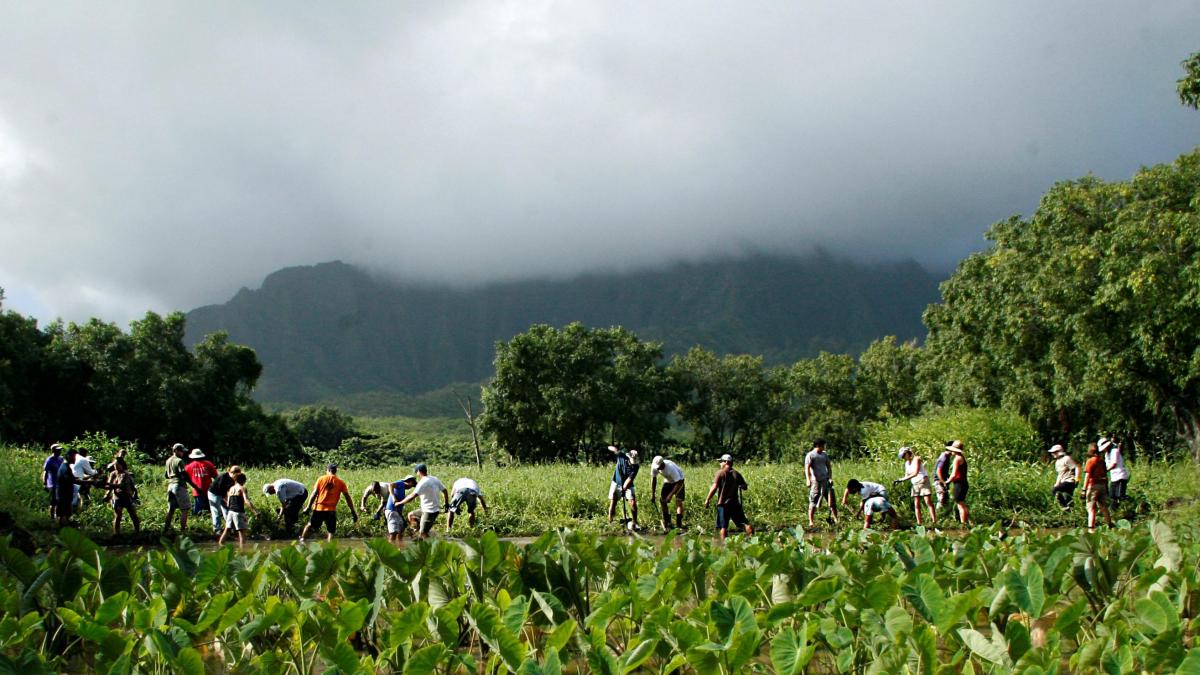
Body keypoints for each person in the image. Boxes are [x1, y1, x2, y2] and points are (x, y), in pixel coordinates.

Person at [299, 464, 358, 543]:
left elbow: (314, 493)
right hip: (331, 510)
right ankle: (329, 547)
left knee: (310, 525)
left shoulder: (321, 479)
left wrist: (308, 507)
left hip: (319, 508)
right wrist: (353, 511)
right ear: (335, 471)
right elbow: (347, 497)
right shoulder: (341, 482)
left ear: (328, 470)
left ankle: (302, 540)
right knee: (331, 531)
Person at [704, 454, 752, 540]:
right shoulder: (737, 474)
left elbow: (714, 487)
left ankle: (723, 545)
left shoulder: (720, 473)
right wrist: (741, 486)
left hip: (723, 504)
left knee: (723, 527)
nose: (720, 464)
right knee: (744, 524)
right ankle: (752, 539)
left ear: (726, 462)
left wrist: (707, 499)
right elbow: (745, 487)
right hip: (735, 503)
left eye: (721, 462)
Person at [396, 464, 449, 539]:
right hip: (427, 509)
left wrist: (399, 503)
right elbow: (445, 490)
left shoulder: (422, 482)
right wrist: (446, 503)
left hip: (430, 511)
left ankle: (430, 547)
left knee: (423, 533)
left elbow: (412, 496)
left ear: (418, 472)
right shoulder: (434, 479)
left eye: (416, 472)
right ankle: (417, 530)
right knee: (411, 515)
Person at [163, 443, 200, 533]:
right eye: (181, 451)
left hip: (170, 485)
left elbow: (166, 475)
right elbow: (184, 475)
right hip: (179, 485)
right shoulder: (179, 461)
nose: (182, 453)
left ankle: (165, 530)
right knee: (185, 509)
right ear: (175, 451)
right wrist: (195, 486)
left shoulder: (168, 460)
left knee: (171, 510)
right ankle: (183, 531)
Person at [895, 447, 936, 526]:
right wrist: (899, 480)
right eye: (902, 456)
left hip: (923, 481)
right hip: (915, 483)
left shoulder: (916, 459)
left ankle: (934, 521)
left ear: (908, 453)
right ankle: (919, 523)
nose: (903, 457)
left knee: (928, 501)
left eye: (904, 455)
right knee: (916, 504)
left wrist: (902, 480)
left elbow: (915, 473)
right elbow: (907, 475)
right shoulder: (906, 463)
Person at [218, 473, 260, 547]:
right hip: (238, 512)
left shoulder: (230, 489)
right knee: (242, 532)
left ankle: (220, 545)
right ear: (243, 480)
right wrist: (255, 511)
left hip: (230, 512)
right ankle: (242, 550)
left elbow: (228, 503)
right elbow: (246, 500)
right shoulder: (242, 488)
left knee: (227, 530)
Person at [804, 439, 838, 527]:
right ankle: (811, 521)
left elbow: (829, 467)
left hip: (826, 480)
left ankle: (836, 519)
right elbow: (807, 468)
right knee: (813, 500)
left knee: (832, 501)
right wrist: (808, 480)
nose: (824, 447)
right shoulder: (810, 455)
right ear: (818, 446)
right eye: (823, 445)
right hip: (816, 481)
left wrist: (830, 478)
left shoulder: (824, 454)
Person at [373, 476, 416, 543]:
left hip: (397, 512)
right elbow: (391, 485)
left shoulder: (402, 489)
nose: (411, 487)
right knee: (393, 533)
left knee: (401, 531)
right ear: (410, 482)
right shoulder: (401, 483)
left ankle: (399, 545)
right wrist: (393, 497)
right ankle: (391, 547)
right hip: (391, 511)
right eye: (412, 485)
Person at [607, 445, 640, 529]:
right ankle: (610, 521)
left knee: (633, 502)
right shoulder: (621, 456)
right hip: (616, 482)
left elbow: (629, 480)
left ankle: (635, 522)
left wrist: (623, 489)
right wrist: (609, 447)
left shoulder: (636, 466)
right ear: (628, 457)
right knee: (613, 502)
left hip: (628, 485)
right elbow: (614, 449)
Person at [1082, 442, 1114, 531]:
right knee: (1104, 507)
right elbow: (1105, 475)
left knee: (1091, 508)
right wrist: (1106, 488)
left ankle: (1091, 528)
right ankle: (1110, 525)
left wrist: (1084, 489)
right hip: (1103, 485)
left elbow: (1087, 476)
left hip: (1093, 486)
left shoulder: (1090, 461)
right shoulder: (1101, 461)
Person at [649, 455, 686, 531]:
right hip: (668, 481)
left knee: (678, 501)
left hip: (679, 481)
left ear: (662, 464)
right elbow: (654, 480)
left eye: (659, 466)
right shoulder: (654, 467)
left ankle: (679, 525)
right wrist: (653, 494)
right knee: (663, 501)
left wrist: (671, 495)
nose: (657, 468)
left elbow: (678, 482)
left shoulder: (670, 467)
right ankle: (667, 523)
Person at [105, 458, 140, 535]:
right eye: (114, 465)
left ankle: (137, 532)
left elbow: (120, 485)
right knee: (118, 515)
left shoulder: (125, 474)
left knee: (133, 514)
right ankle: (116, 533)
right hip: (117, 496)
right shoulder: (113, 474)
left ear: (122, 465)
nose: (116, 466)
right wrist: (107, 492)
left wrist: (109, 485)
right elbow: (109, 485)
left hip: (127, 496)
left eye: (117, 465)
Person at [208, 466, 242, 535]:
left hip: (223, 494)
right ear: (232, 473)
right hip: (214, 493)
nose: (237, 477)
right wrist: (225, 499)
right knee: (216, 511)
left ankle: (230, 528)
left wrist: (228, 500)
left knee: (227, 510)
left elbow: (229, 490)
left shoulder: (234, 479)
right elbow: (220, 488)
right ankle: (217, 530)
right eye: (236, 475)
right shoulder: (223, 476)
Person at [185, 449, 219, 517]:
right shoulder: (209, 464)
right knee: (210, 509)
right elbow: (216, 477)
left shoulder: (188, 467)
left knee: (198, 510)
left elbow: (185, 478)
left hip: (197, 491)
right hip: (209, 490)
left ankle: (197, 521)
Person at [945, 440, 971, 526]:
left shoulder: (957, 459)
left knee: (960, 505)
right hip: (963, 483)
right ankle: (969, 523)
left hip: (959, 484)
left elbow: (953, 474)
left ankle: (963, 524)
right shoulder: (962, 457)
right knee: (962, 504)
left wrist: (946, 482)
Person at [1049, 444, 1079, 511]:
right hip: (1063, 481)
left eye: (1054, 452)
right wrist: (1056, 483)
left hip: (1069, 481)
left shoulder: (1066, 458)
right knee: (1068, 498)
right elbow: (1060, 474)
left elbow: (1076, 467)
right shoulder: (1057, 462)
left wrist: (1077, 479)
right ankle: (1071, 513)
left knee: (1055, 490)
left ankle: (1064, 507)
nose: (1052, 454)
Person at [1101, 437, 1130, 507]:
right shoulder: (1106, 454)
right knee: (1112, 496)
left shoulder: (1114, 451)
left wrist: (1105, 471)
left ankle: (1131, 503)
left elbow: (1114, 464)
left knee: (1120, 496)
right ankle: (1115, 511)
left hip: (1120, 476)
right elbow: (1107, 465)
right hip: (1114, 477)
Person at [55, 449, 80, 527]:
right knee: (63, 515)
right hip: (63, 495)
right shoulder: (65, 468)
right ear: (69, 456)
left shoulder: (66, 467)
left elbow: (73, 479)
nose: (75, 459)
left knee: (65, 514)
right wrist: (88, 482)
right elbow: (70, 480)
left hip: (65, 495)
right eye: (74, 457)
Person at [42, 443, 65, 519]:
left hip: (60, 483)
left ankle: (58, 516)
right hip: (53, 483)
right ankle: (52, 517)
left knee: (60, 501)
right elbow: (45, 472)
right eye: (58, 450)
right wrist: (45, 483)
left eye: (60, 450)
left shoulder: (61, 459)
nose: (60, 451)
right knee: (54, 501)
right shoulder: (49, 460)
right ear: (53, 451)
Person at [932, 443, 953, 514]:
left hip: (941, 480)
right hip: (939, 481)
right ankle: (938, 515)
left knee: (945, 500)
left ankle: (946, 515)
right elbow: (938, 471)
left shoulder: (945, 456)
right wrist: (943, 482)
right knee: (941, 499)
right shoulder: (944, 457)